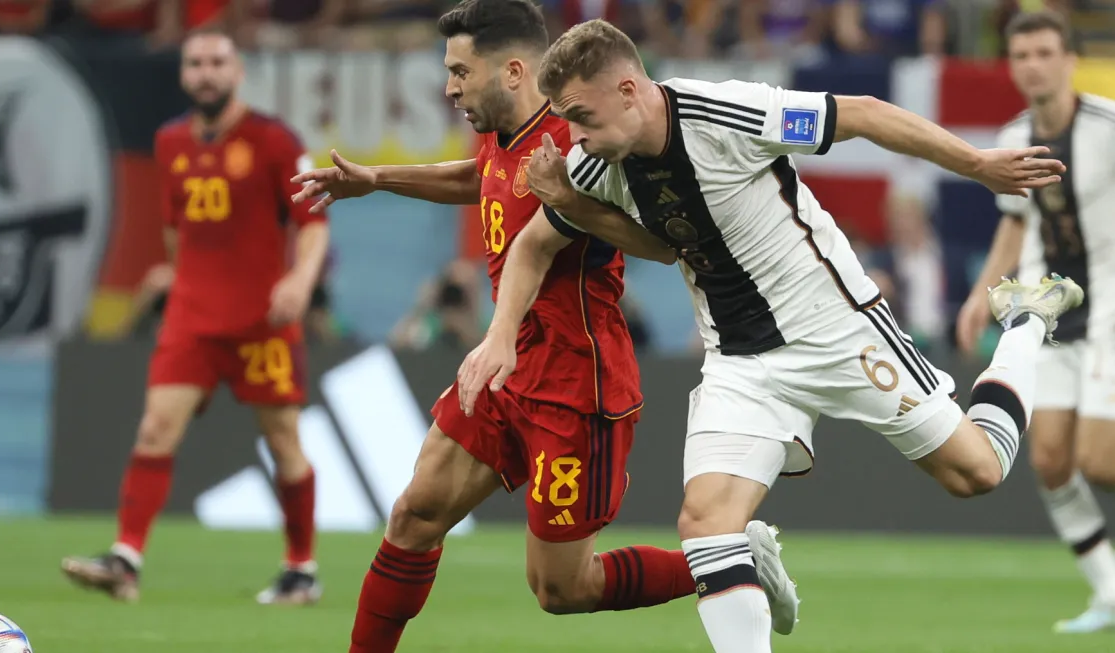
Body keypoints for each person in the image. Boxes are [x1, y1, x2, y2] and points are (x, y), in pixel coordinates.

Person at [457, 18, 1082, 653]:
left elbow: (861, 113)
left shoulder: (726, 112)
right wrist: (501, 333)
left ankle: (1026, 322)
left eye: (581, 115)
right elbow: (545, 245)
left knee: (976, 471)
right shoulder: (593, 163)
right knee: (706, 524)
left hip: (837, 330)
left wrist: (976, 163)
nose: (575, 135)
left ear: (628, 89)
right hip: (739, 361)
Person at [290, 2, 799, 650]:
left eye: (457, 72)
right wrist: (379, 178)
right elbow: (482, 179)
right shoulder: (500, 130)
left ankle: (732, 562)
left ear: (509, 70)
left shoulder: (580, 142)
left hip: (573, 384)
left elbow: (659, 242)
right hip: (505, 366)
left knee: (563, 588)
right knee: (413, 514)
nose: (448, 88)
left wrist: (568, 203)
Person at [60, 31, 330, 606]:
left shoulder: (274, 140)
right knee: (156, 428)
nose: (206, 73)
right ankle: (125, 559)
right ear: (183, 75)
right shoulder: (169, 142)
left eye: (217, 63)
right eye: (196, 63)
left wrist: (299, 282)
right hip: (193, 317)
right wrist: (184, 285)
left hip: (262, 320)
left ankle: (301, 570)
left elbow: (312, 224)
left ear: (237, 73)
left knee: (284, 443)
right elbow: (173, 230)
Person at [956, 11, 1115, 634]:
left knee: (1098, 461)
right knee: (1049, 458)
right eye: (1021, 55)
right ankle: (1108, 587)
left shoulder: (1107, 126)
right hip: (1051, 311)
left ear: (1070, 58)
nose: (1033, 65)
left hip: (1111, 309)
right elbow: (1016, 222)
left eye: (1045, 52)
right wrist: (979, 296)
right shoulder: (1015, 135)